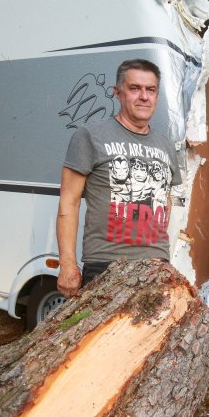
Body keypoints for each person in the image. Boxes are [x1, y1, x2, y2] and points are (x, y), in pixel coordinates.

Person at [57, 59, 182, 296]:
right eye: (135, 88)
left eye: (151, 90)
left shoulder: (165, 145)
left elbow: (165, 200)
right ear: (118, 93)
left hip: (156, 266)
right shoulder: (90, 136)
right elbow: (68, 203)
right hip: (106, 264)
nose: (144, 96)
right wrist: (67, 264)